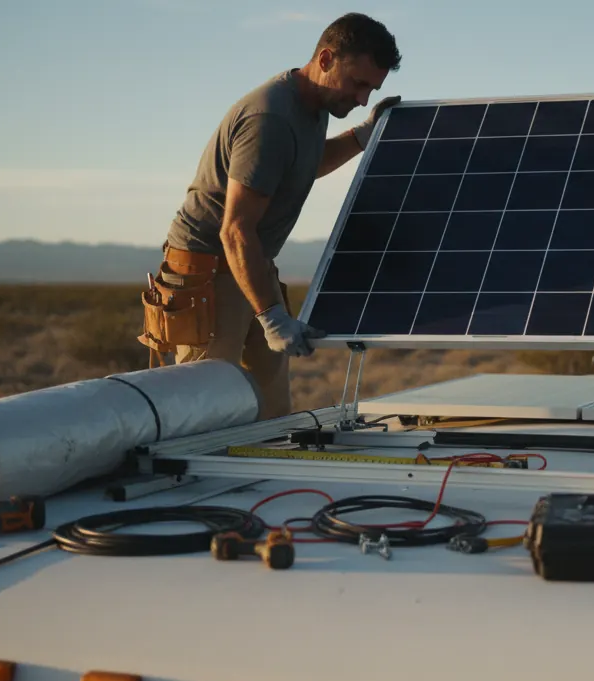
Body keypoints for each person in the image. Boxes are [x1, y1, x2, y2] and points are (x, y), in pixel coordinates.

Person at [139, 13, 402, 419]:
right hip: (209, 272)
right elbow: (235, 230)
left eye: (372, 89)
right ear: (326, 59)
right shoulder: (271, 118)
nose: (363, 99)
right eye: (358, 83)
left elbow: (304, 163)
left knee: (273, 411)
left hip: (249, 264)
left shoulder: (314, 106)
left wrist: (360, 136)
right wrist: (271, 315)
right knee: (209, 410)